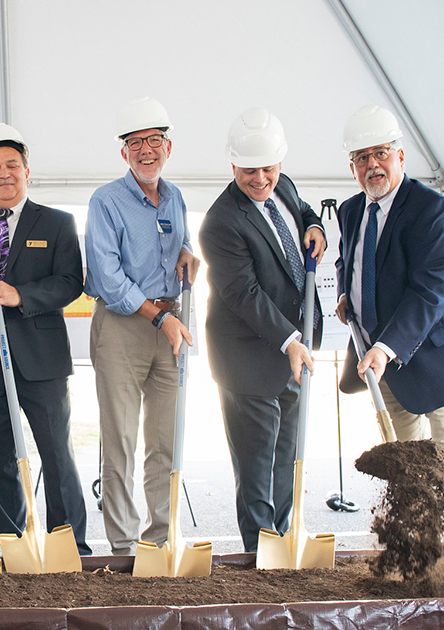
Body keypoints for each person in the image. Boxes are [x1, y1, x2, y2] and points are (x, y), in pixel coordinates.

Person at [335, 105, 444, 556]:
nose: (372, 165)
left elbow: (432, 290)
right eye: (361, 157)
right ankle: (418, 557)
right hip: (388, 365)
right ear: (352, 166)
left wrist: (386, 346)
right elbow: (351, 259)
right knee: (407, 461)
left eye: (381, 153)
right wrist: (349, 295)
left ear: (401, 157)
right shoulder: (352, 211)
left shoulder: (432, 211)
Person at [0, 123, 91, 556]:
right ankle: (12, 546)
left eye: (12, 165)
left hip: (41, 358)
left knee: (56, 453)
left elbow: (70, 282)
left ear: (27, 172)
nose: (3, 173)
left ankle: (69, 546)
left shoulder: (58, 221)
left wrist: (20, 294)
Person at [198, 108, 326, 553]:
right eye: (249, 170)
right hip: (246, 356)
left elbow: (305, 210)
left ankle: (284, 539)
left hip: (294, 347)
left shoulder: (283, 186)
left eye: (268, 169)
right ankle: (259, 553)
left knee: (288, 454)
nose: (260, 179)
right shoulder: (220, 222)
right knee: (257, 462)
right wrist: (291, 340)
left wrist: (314, 226)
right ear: (232, 165)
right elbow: (244, 294)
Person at [83, 97, 199, 555]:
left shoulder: (175, 197)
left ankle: (159, 542)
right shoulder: (106, 200)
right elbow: (108, 279)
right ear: (124, 152)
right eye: (136, 144)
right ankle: (124, 547)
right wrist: (162, 317)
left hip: (171, 323)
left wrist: (188, 252)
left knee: (166, 441)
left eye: (154, 141)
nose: (146, 150)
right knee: (122, 441)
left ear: (168, 147)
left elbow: (179, 243)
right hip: (123, 326)